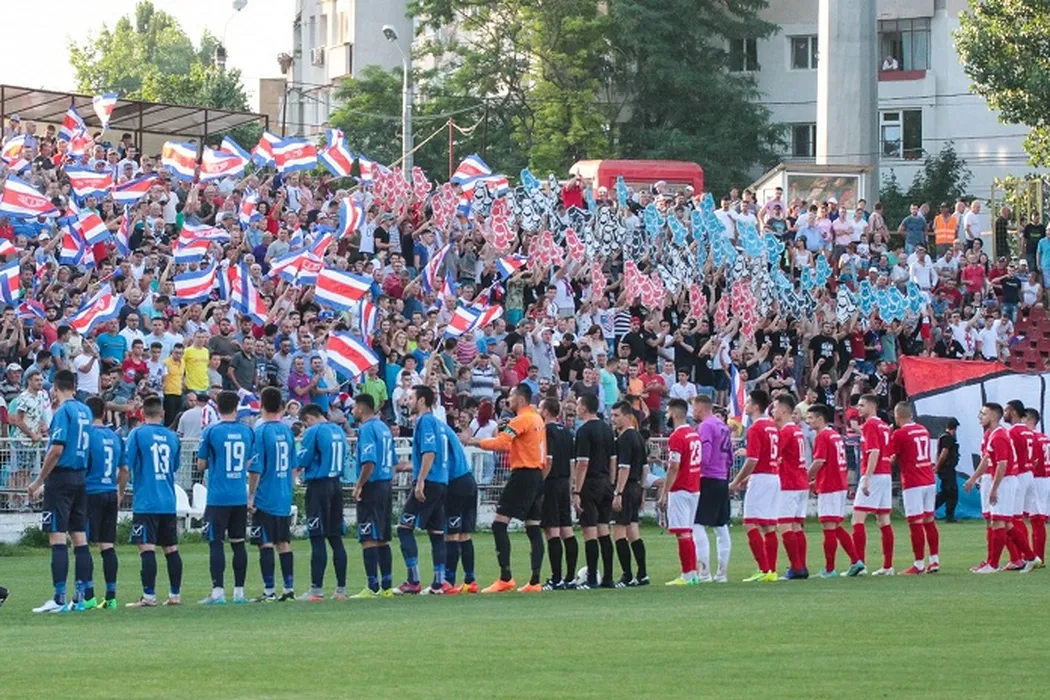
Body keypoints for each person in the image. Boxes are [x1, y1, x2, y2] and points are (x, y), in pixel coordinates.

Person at [466, 383, 547, 593]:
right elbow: (521, 445)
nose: (507, 400)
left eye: (510, 396)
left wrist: (473, 441)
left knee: (499, 524)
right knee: (533, 526)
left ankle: (506, 577)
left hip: (523, 474)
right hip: (537, 474)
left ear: (520, 399)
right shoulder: (537, 419)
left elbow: (502, 443)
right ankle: (535, 581)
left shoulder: (520, 420)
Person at [27, 371, 95, 613]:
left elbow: (56, 450)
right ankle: (81, 597)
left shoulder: (63, 412)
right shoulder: (86, 410)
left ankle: (58, 599)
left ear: (55, 389)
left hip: (61, 478)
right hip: (80, 477)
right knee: (79, 537)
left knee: (57, 536)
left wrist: (39, 481)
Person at [124, 395, 184, 608]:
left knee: (146, 548)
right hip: (168, 500)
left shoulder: (137, 434)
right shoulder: (173, 437)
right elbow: (174, 466)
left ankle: (149, 596)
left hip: (147, 500)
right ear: (163, 413)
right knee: (171, 549)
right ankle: (175, 595)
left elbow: (127, 463)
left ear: (142, 413)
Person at [965, 402, 1037, 573]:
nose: (980, 417)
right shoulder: (994, 434)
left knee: (999, 522)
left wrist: (994, 488)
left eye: (984, 414)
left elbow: (1002, 464)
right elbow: (987, 459)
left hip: (1005, 481)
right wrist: (973, 478)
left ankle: (994, 564)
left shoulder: (999, 435)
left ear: (993, 416)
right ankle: (1030, 557)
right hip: (1005, 480)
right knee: (1005, 524)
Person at [197, 391, 253, 605]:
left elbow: (201, 464)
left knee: (216, 542)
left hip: (218, 497)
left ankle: (218, 592)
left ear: (217, 407)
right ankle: (239, 593)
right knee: (238, 543)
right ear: (236, 408)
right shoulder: (247, 431)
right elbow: (249, 461)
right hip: (239, 495)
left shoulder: (211, 431)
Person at [395, 385, 449, 595]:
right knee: (436, 532)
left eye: (411, 397)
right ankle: (438, 583)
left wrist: (420, 482)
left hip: (429, 482)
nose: (407, 401)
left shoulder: (425, 421)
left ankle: (413, 580)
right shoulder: (437, 422)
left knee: (404, 527)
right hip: (441, 481)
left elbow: (429, 452)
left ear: (422, 401)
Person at [248, 386, 298, 603]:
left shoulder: (260, 432)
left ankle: (269, 591)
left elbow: (256, 468)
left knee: (265, 542)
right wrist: (289, 487)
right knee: (283, 542)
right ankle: (289, 588)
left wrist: (251, 496)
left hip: (266, 495)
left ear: (262, 405)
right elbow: (294, 466)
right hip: (283, 495)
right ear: (280, 406)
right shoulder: (287, 431)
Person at [297, 403, 350, 600]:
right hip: (336, 485)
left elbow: (303, 459)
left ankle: (316, 590)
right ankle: (341, 589)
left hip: (319, 486)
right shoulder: (338, 430)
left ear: (309, 418)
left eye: (305, 423)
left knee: (317, 537)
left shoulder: (314, 431)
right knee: (335, 538)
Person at [348, 393, 397, 598]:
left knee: (368, 537)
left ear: (361, 408)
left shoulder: (367, 429)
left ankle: (372, 586)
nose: (352, 411)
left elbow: (369, 461)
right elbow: (393, 462)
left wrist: (359, 485)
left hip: (372, 486)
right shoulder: (383, 427)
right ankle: (387, 587)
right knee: (383, 537)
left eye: (354, 407)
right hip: (385, 485)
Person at [729, 390, 780, 583]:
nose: (746, 405)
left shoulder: (756, 428)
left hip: (761, 478)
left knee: (750, 522)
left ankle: (763, 568)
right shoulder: (772, 426)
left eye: (749, 401)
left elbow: (753, 460)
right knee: (768, 525)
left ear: (756, 406)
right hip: (773, 477)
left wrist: (736, 480)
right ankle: (771, 570)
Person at [806, 403, 859, 578]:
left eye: (810, 418)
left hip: (830, 486)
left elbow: (819, 461)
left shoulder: (822, 436)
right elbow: (831, 462)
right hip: (839, 483)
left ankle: (830, 569)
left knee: (828, 526)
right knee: (835, 525)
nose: (808, 421)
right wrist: (816, 481)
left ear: (820, 419)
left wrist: (805, 478)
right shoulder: (834, 435)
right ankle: (855, 561)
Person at [84, 396, 127, 610]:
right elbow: (125, 469)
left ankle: (88, 596)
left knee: (82, 544)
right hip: (111, 492)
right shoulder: (115, 436)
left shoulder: (87, 435)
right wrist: (120, 492)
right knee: (107, 546)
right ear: (103, 412)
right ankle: (111, 597)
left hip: (91, 492)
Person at [888, 401, 939, 575]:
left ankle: (918, 564)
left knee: (915, 522)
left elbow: (893, 457)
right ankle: (934, 560)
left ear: (897, 416)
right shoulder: (923, 430)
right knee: (929, 520)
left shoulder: (900, 433)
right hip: (928, 479)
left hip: (913, 481)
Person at [850, 394, 894, 576]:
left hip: (874, 474)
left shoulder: (870, 425)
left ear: (872, 406)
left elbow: (874, 452)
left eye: (862, 405)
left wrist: (867, 477)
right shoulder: (883, 425)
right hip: (885, 474)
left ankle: (860, 565)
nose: (858, 409)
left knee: (857, 519)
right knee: (883, 520)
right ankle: (888, 566)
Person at [661, 398, 703, 586]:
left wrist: (664, 492)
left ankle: (687, 574)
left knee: (682, 532)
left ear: (675, 414)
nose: (666, 416)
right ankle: (692, 573)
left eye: (667, 412)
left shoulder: (677, 437)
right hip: (694, 487)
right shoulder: (694, 434)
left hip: (681, 488)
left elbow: (674, 466)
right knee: (688, 531)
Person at [538, 396, 579, 590]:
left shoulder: (547, 431)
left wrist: (539, 483)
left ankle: (556, 579)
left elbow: (549, 460)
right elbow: (572, 463)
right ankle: (570, 577)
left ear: (546, 411)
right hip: (564, 483)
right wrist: (571, 487)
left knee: (552, 530)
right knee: (566, 529)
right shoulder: (567, 432)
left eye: (540, 408)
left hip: (552, 483)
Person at [691, 395, 732, 582]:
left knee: (697, 523)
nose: (693, 412)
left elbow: (704, 456)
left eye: (694, 408)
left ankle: (704, 572)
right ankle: (722, 573)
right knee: (721, 526)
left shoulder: (706, 426)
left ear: (700, 408)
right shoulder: (723, 425)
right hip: (722, 477)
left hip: (708, 478)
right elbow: (730, 455)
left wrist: (694, 471)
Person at [610, 401, 648, 587]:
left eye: (617, 416)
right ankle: (642, 574)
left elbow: (624, 468)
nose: (613, 419)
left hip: (625, 488)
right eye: (612, 415)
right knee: (633, 531)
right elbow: (645, 467)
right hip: (635, 487)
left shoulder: (625, 438)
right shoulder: (638, 437)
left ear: (627, 416)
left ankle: (627, 575)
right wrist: (641, 489)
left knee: (619, 532)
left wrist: (618, 492)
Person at [439, 419, 477, 593]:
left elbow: (436, 462)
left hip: (455, 484)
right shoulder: (449, 433)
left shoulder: (438, 435)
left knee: (451, 535)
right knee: (465, 535)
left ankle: (449, 581)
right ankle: (470, 581)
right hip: (469, 480)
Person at [773, 394, 809, 579]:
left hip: (789, 482)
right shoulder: (797, 430)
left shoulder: (786, 432)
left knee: (784, 525)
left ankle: (796, 567)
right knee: (796, 526)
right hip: (801, 481)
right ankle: (801, 566)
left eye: (775, 408)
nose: (773, 411)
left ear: (783, 410)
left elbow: (774, 454)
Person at [1004, 400, 1039, 570]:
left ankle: (1023, 556)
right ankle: (1024, 556)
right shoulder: (1029, 432)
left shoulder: (1012, 432)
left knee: (1014, 518)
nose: (1004, 414)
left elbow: (1010, 456)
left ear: (1013, 412)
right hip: (1029, 474)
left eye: (1006, 410)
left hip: (1019, 475)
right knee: (1021, 518)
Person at [1024, 408, 1049, 565]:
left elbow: (1033, 462)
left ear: (1030, 420)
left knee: (1036, 520)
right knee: (1036, 519)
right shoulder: (1044, 437)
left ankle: (1037, 557)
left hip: (1037, 479)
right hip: (1044, 479)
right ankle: (1035, 556)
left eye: (1023, 419)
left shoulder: (1031, 438)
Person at [934, 418, 960, 523]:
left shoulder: (942, 437)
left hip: (945, 469)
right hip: (947, 469)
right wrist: (937, 466)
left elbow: (938, 453)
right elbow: (944, 453)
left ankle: (930, 510)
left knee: (946, 492)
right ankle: (949, 516)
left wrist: (937, 466)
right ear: (954, 428)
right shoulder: (948, 438)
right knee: (951, 492)